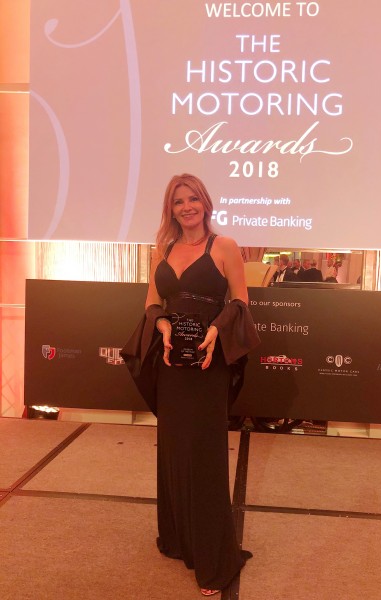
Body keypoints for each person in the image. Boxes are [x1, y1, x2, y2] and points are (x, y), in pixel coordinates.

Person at [121, 174, 259, 596]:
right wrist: (162, 324)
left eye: (193, 198)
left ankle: (214, 560)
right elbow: (152, 300)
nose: (187, 207)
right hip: (171, 364)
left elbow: (241, 300)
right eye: (178, 201)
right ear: (171, 209)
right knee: (175, 450)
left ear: (205, 203)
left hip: (207, 363)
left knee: (204, 456)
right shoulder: (162, 250)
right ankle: (179, 538)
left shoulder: (224, 246)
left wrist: (217, 328)